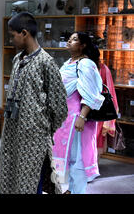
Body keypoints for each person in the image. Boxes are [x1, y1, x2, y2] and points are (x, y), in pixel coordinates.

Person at [0, 12, 68, 194]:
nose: (11, 39)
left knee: (29, 182)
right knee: (11, 178)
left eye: (12, 35)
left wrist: (42, 128)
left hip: (33, 139)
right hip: (13, 134)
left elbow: (59, 106)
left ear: (24, 33)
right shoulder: (16, 60)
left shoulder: (46, 63)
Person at [52, 32, 105, 194]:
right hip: (64, 119)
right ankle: (67, 190)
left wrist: (82, 116)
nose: (69, 41)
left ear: (82, 46)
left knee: (78, 159)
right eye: (69, 38)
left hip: (77, 119)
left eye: (74, 39)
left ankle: (78, 191)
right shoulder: (69, 63)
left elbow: (91, 93)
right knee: (64, 157)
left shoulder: (86, 64)